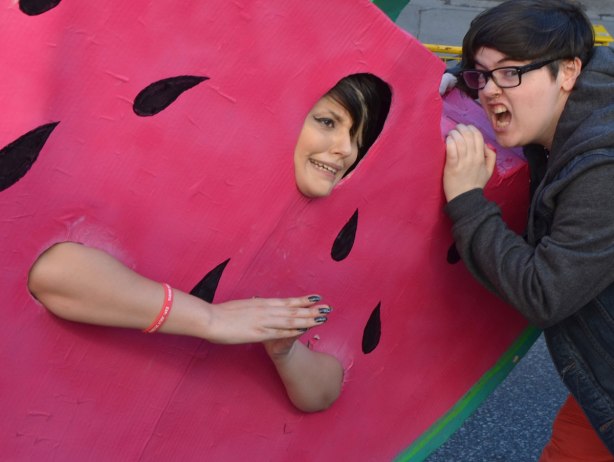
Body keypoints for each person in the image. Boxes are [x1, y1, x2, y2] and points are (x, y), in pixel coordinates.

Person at [28, 73, 392, 413]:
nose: (346, 149)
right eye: (328, 122)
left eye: (359, 136)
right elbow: (52, 273)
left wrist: (285, 354)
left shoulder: (338, 233)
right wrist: (211, 319)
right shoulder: (183, 176)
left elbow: (323, 393)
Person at [441, 0, 614, 459]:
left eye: (511, 72)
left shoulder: (603, 170)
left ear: (569, 72)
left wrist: (467, 202)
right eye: (482, 74)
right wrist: (454, 79)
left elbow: (544, 292)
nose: (491, 90)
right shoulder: (575, 102)